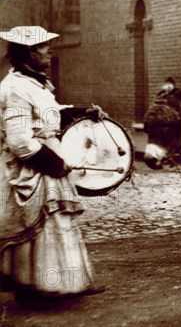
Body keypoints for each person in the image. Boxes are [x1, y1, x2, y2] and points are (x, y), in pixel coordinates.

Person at [0, 26, 103, 309]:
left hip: (46, 163)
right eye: (44, 47)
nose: (50, 51)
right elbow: (20, 140)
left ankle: (61, 283)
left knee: (56, 224)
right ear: (28, 53)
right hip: (31, 170)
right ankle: (34, 289)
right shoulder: (16, 88)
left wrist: (82, 112)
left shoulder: (32, 82)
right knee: (40, 227)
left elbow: (49, 114)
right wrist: (55, 163)